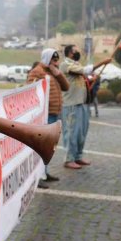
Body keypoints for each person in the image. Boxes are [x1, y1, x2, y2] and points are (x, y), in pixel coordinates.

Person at [59, 45, 111, 169]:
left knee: (81, 133)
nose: (78, 52)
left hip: (82, 103)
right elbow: (84, 70)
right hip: (71, 104)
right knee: (71, 133)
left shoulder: (76, 64)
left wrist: (92, 79)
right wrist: (102, 63)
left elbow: (83, 76)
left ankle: (78, 156)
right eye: (76, 50)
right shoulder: (65, 64)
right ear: (70, 53)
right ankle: (69, 159)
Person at [27, 48, 70, 187]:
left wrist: (58, 74)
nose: (56, 62)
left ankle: (45, 172)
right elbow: (30, 91)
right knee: (42, 147)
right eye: (53, 59)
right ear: (47, 58)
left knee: (50, 147)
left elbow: (66, 87)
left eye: (57, 60)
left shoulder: (54, 72)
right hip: (44, 116)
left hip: (55, 113)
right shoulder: (38, 71)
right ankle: (38, 177)